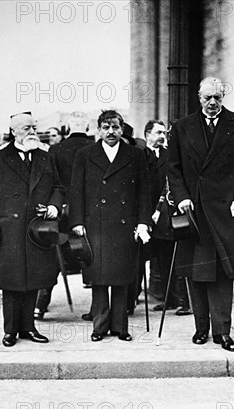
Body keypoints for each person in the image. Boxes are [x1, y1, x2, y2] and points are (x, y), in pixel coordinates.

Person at [167, 77, 234, 352]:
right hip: (194, 210)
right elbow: (174, 167)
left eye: (218, 97)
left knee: (223, 272)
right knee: (197, 272)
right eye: (208, 98)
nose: (213, 103)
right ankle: (201, 328)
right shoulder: (182, 127)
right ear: (199, 97)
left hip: (224, 210)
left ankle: (222, 332)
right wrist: (181, 198)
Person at [0, 112, 65, 347]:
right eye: (26, 128)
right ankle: (10, 331)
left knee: (34, 279)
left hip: (36, 230)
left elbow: (58, 187)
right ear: (14, 131)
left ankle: (28, 328)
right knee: (11, 282)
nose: (32, 132)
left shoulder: (45, 158)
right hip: (9, 231)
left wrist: (52, 207)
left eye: (34, 127)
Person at [69, 110, 151, 342]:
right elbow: (76, 191)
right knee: (100, 276)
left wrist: (144, 223)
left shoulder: (135, 155)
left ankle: (120, 327)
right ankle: (100, 326)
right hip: (96, 224)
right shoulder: (85, 155)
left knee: (122, 277)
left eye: (115, 127)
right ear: (98, 130)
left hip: (125, 225)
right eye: (106, 128)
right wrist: (77, 222)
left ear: (122, 128)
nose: (111, 132)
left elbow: (144, 192)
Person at [35, 111, 93, 320]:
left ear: (67, 129)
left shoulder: (56, 150)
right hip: (89, 211)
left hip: (62, 210)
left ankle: (40, 305)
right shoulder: (95, 149)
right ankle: (97, 308)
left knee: (53, 257)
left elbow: (53, 182)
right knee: (91, 254)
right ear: (87, 128)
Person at [143, 119, 191, 316]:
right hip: (151, 215)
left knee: (178, 257)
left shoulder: (172, 156)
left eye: (165, 133)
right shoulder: (140, 156)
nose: (163, 136)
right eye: (159, 132)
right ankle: (168, 299)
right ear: (147, 134)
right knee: (161, 258)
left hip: (170, 213)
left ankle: (184, 300)